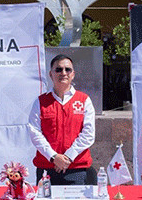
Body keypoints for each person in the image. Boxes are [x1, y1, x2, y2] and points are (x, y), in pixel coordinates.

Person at [29, 54, 95, 185]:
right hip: (46, 168)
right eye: (58, 69)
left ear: (73, 74)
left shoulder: (84, 100)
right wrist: (54, 157)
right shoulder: (41, 101)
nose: (63, 73)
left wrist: (67, 157)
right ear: (51, 74)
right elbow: (34, 132)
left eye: (67, 69)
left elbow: (88, 134)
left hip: (76, 169)